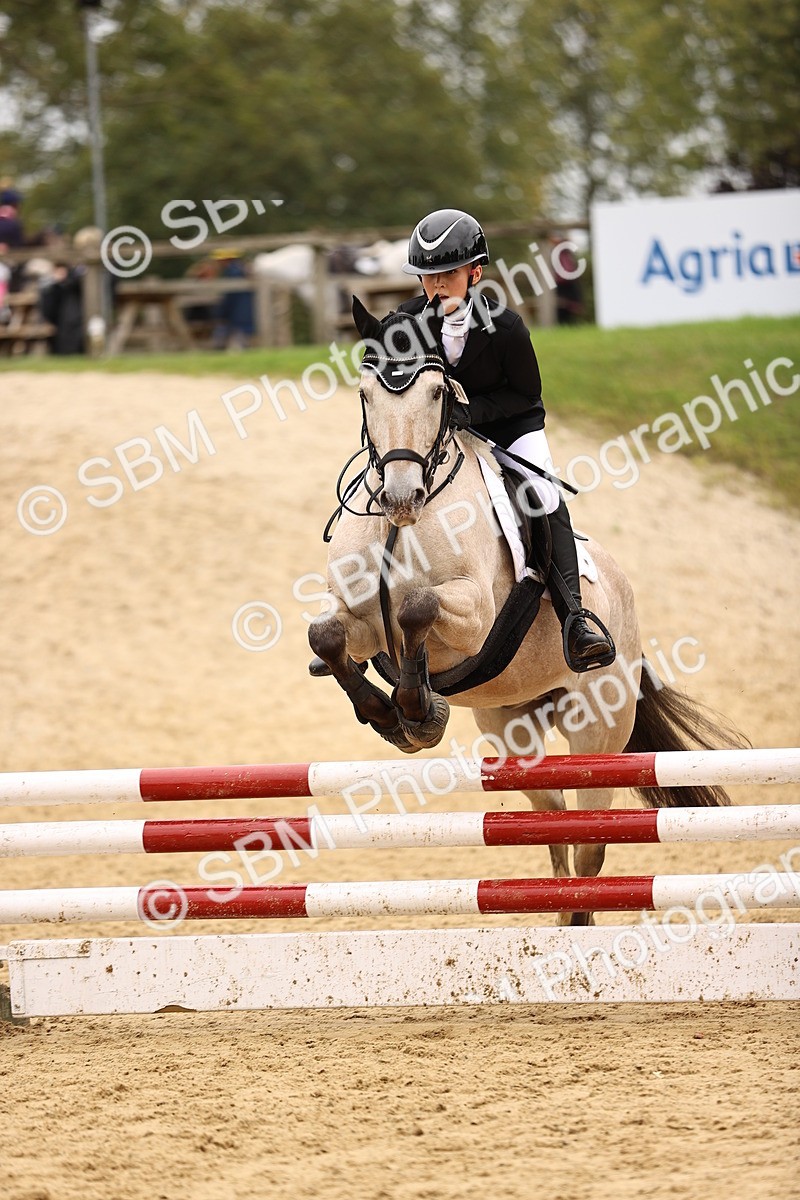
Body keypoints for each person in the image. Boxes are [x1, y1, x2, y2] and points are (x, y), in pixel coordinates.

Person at [394, 208, 614, 671]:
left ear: (474, 274)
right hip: (442, 435)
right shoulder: (407, 322)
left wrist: (469, 412)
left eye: (449, 275)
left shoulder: (507, 327)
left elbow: (525, 396)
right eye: (428, 277)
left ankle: (576, 618)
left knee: (542, 494)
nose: (437, 286)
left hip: (509, 429)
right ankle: (360, 614)